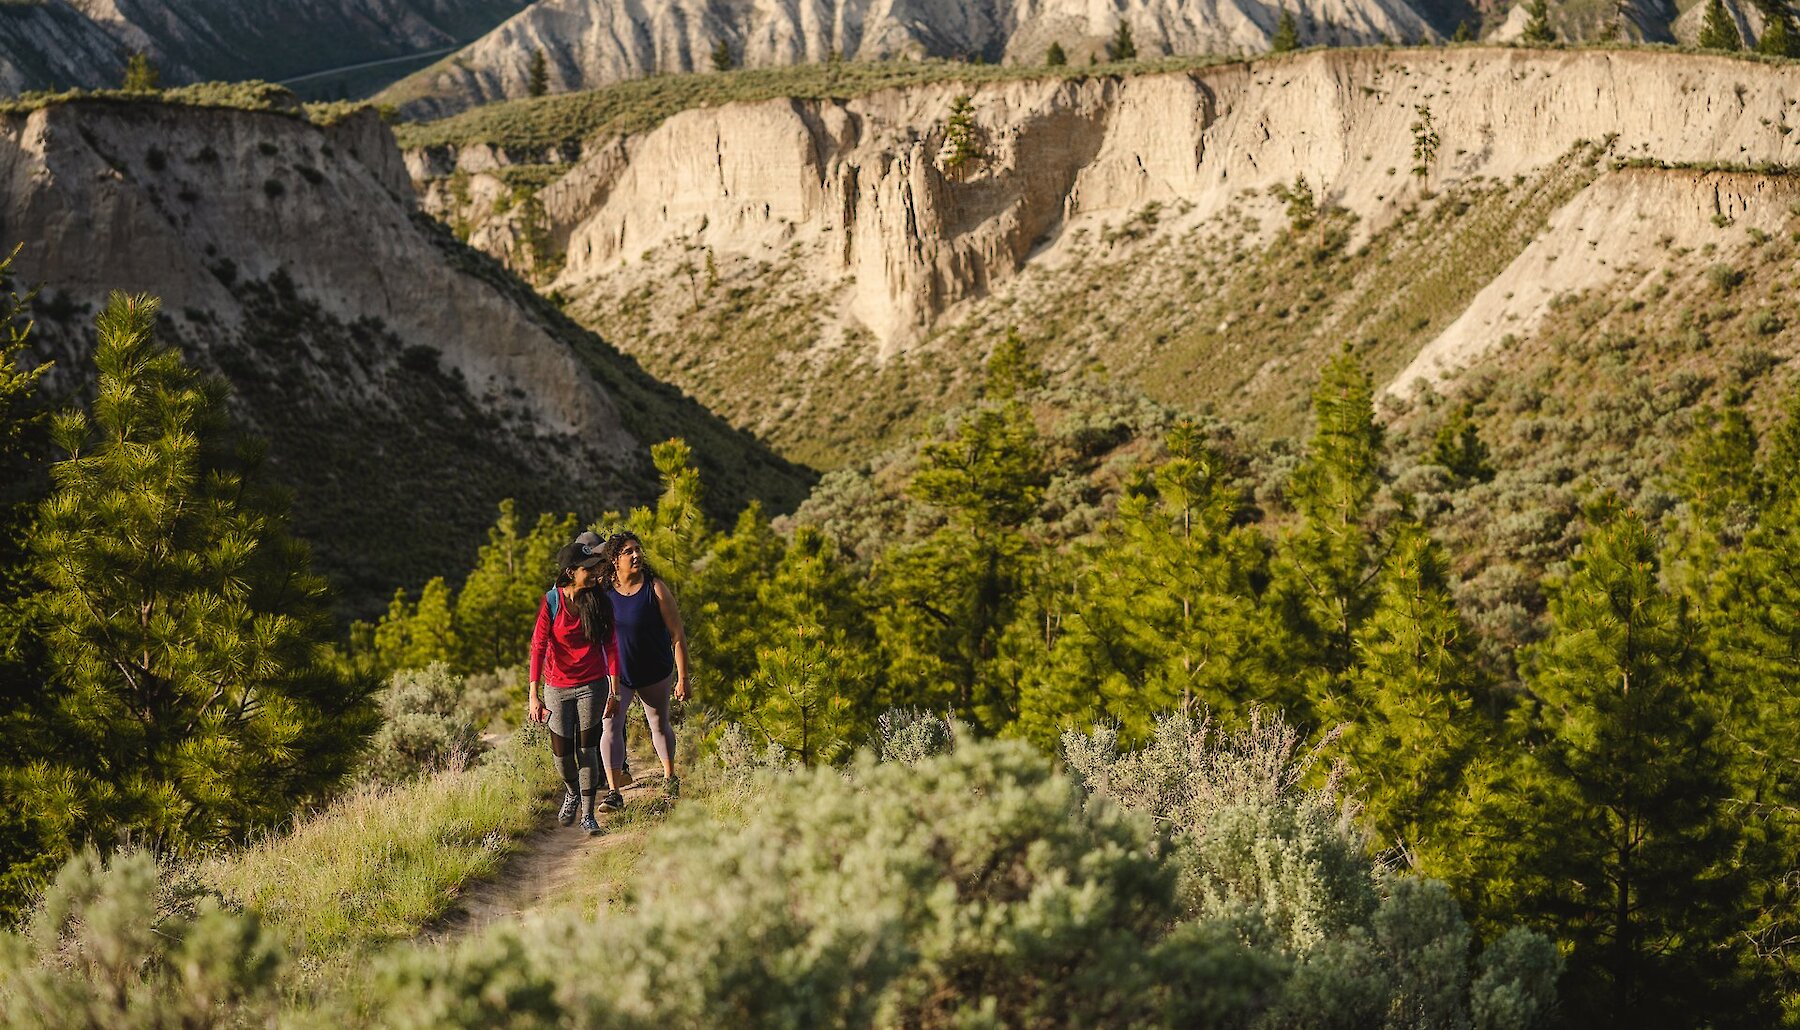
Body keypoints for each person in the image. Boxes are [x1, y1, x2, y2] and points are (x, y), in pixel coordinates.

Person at [527, 541, 618, 835]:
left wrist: (614, 691)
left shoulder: (600, 600)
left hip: (593, 684)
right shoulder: (552, 602)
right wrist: (534, 695)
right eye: (587, 569)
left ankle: (588, 815)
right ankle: (572, 792)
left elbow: (612, 646)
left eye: (594, 568)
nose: (593, 573)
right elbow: (538, 647)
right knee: (562, 754)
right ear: (570, 572)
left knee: (587, 748)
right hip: (557, 686)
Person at [598, 531, 689, 806]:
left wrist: (682, 677)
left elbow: (677, 634)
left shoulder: (655, 587)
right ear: (615, 559)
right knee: (610, 726)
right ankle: (614, 793)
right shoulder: (604, 590)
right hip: (618, 677)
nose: (636, 555)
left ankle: (669, 778)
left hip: (654, 671)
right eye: (628, 551)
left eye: (638, 549)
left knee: (659, 725)